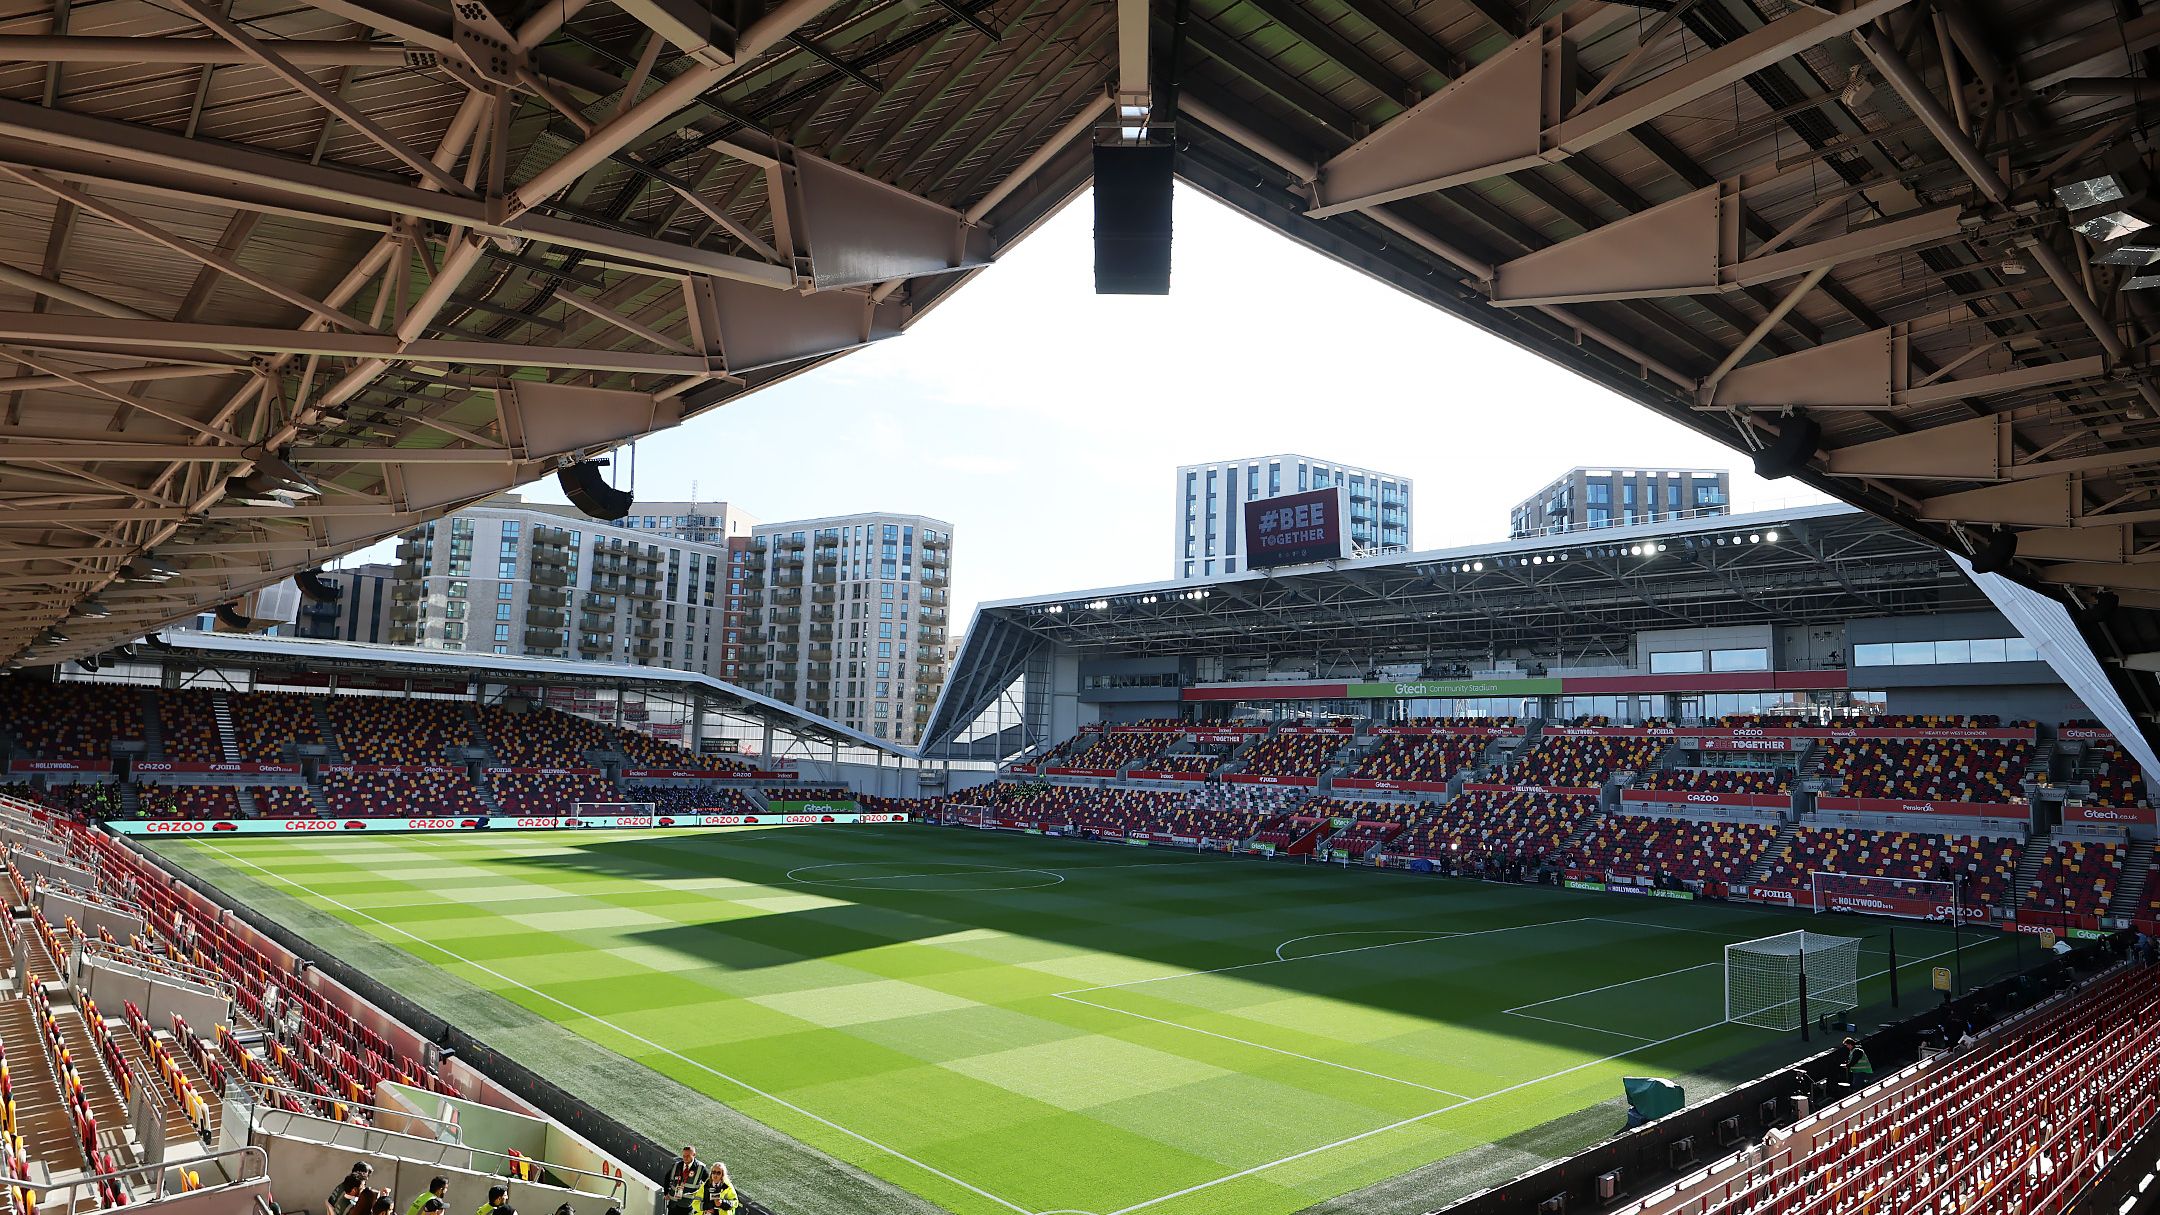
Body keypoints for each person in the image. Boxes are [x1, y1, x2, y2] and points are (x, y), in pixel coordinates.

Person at [665, 1147, 707, 1215]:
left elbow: (708, 1183)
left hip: (688, 1205)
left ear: (694, 1155)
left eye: (688, 1156)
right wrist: (666, 1193)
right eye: (684, 1156)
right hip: (673, 1203)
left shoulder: (701, 1168)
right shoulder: (677, 1165)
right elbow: (667, 1178)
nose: (685, 1158)